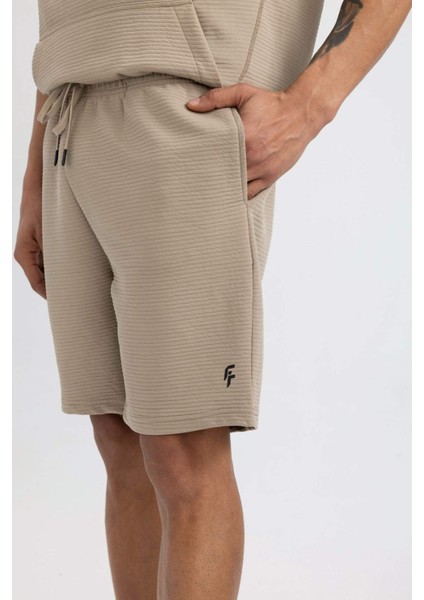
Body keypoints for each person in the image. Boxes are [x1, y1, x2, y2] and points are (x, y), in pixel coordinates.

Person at [14, 1, 411, 598]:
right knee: (119, 440)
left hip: (188, 103)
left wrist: (308, 106)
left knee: (181, 448)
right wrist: (34, 176)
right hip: (70, 111)